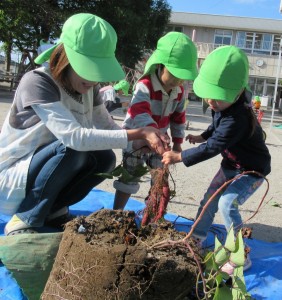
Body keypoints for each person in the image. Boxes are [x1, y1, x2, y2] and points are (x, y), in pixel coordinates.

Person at [0, 13, 169, 236]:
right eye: (88, 67)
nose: (93, 79)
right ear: (66, 57)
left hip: (47, 169)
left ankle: (54, 210)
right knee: (73, 148)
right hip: (14, 177)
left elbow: (107, 128)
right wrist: (138, 131)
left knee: (105, 158)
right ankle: (26, 217)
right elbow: (74, 137)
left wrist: (139, 139)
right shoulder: (38, 81)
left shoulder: (89, 89)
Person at [162, 45, 271, 271]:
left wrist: (180, 156)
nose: (211, 102)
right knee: (209, 199)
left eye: (217, 99)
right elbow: (215, 127)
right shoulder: (222, 105)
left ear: (237, 93)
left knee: (227, 203)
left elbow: (214, 146)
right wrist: (201, 135)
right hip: (231, 164)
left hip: (251, 171)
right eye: (209, 97)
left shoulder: (238, 118)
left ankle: (240, 254)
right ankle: (198, 238)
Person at [113, 31, 198, 210]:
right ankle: (117, 212)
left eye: (182, 76)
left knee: (160, 177)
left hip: (160, 141)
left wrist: (177, 143)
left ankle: (151, 215)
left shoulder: (180, 91)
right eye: (174, 74)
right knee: (130, 176)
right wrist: (152, 132)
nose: (178, 80)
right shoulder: (145, 85)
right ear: (160, 65)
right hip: (136, 138)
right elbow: (140, 111)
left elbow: (178, 118)